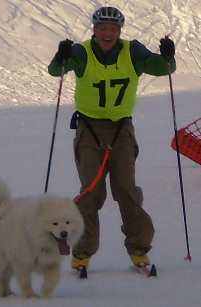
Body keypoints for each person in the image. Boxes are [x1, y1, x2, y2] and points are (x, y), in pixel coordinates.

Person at [48, 6, 176, 272]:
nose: (108, 33)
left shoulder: (133, 50)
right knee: (90, 192)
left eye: (113, 29)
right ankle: (82, 253)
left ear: (120, 31)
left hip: (121, 130)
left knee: (126, 189)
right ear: (94, 29)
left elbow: (163, 69)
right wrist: (61, 57)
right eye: (103, 28)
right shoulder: (82, 52)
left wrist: (168, 56)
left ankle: (139, 249)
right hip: (89, 129)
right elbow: (55, 70)